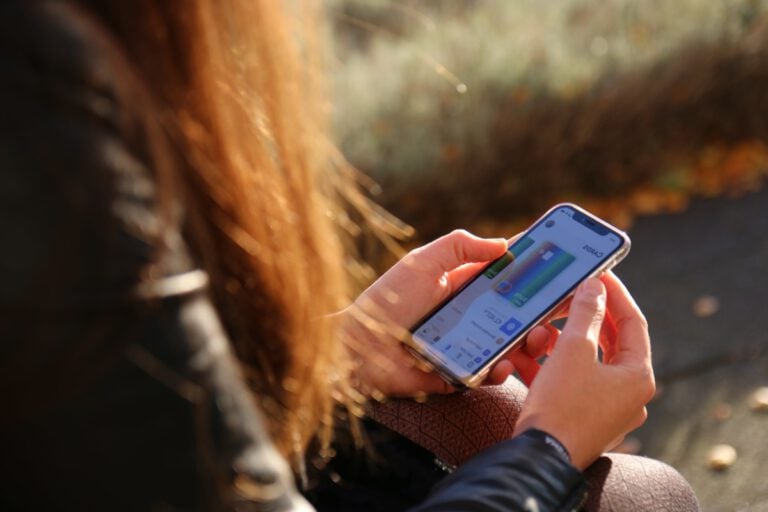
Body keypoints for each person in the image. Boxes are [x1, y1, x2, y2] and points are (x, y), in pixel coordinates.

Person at [0, 1, 699, 510]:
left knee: (491, 403)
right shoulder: (44, 108)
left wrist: (332, 355)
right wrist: (548, 452)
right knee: (650, 494)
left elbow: (135, 397)